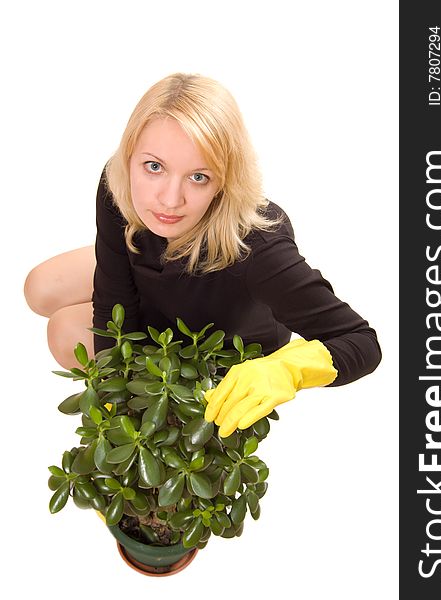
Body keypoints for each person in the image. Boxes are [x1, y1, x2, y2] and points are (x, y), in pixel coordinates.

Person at [24, 72, 381, 438]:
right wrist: (114, 388)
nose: (169, 199)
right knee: (41, 286)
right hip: (158, 281)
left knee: (65, 331)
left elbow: (361, 341)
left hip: (214, 330)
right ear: (130, 155)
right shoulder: (118, 182)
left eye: (198, 177)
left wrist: (286, 369)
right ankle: (152, 282)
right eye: (154, 167)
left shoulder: (258, 246)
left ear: (225, 178)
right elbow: (114, 293)